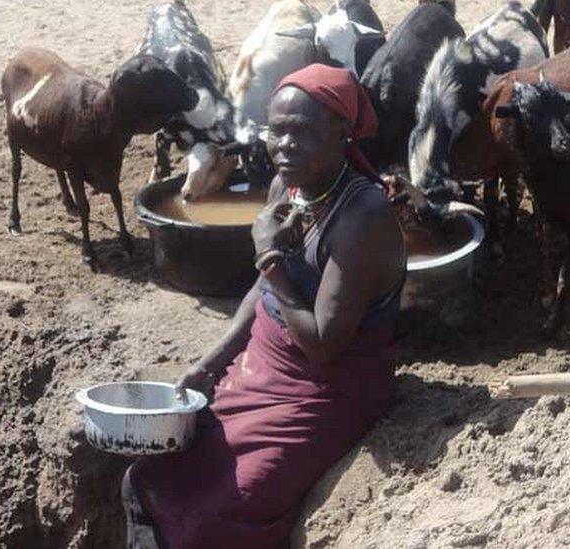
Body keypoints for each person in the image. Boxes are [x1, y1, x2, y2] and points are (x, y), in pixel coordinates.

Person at [123, 64, 406, 549]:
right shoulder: (287, 189)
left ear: (342, 133)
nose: (284, 145)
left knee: (221, 514)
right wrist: (210, 363)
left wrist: (271, 256)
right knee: (145, 478)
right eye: (276, 130)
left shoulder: (364, 217)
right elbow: (262, 294)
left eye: (302, 131)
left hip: (325, 392)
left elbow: (322, 344)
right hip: (262, 371)